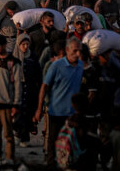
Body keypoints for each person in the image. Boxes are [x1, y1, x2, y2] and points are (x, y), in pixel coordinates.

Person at [34, 38, 84, 166]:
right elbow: (44, 86)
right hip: (56, 111)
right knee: (53, 142)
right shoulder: (56, 66)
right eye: (75, 51)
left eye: (79, 51)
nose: (78, 54)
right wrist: (39, 109)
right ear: (67, 50)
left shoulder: (80, 66)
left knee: (72, 143)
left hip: (73, 113)